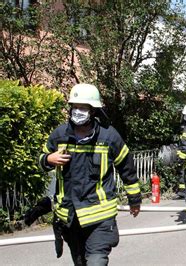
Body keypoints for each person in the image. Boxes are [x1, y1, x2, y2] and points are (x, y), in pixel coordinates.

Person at [38, 83, 141, 265]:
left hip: (99, 217)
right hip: (69, 217)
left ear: (93, 111)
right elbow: (39, 161)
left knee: (96, 261)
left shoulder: (109, 137)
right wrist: (48, 159)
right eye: (75, 107)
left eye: (83, 108)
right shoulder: (59, 135)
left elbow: (127, 168)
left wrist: (134, 199)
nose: (78, 111)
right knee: (80, 262)